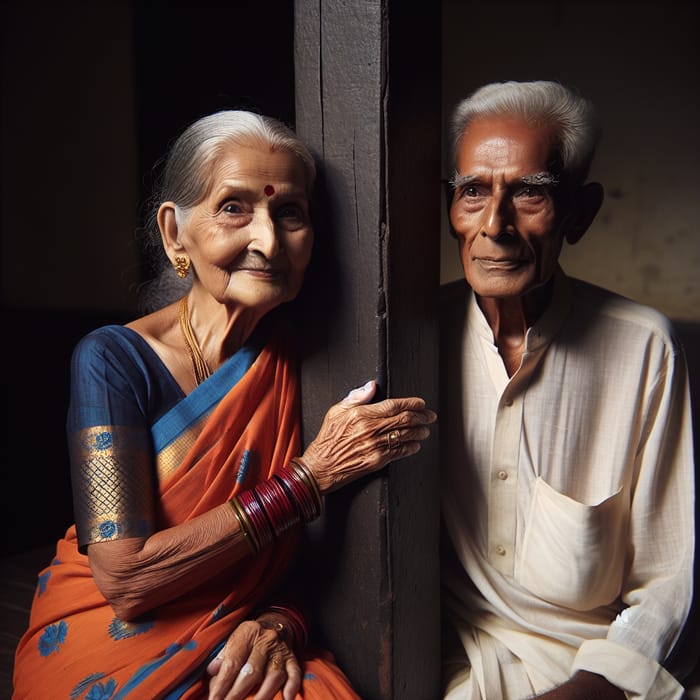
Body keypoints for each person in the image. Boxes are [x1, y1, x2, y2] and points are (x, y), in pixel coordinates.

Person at [12, 110, 437, 700]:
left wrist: (279, 623)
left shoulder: (308, 362)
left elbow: (313, 559)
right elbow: (126, 579)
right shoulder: (112, 360)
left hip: (250, 624)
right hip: (107, 638)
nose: (267, 239)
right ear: (174, 233)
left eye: (289, 212)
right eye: (234, 207)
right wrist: (309, 480)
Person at [439, 80, 696, 699]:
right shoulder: (417, 338)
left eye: (530, 194)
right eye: (473, 192)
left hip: (602, 677)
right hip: (459, 664)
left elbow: (669, 581)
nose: (495, 225)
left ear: (579, 213)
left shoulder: (643, 348)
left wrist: (595, 686)